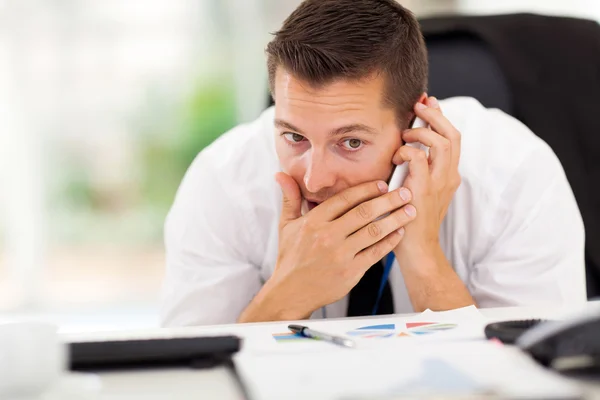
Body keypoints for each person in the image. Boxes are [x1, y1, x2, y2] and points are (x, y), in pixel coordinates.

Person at [160, 0, 586, 327]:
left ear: (414, 120)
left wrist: (422, 256)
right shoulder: (222, 181)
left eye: (350, 141)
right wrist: (290, 290)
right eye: (294, 136)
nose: (315, 178)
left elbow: (532, 381)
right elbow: (193, 384)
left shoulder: (513, 174)